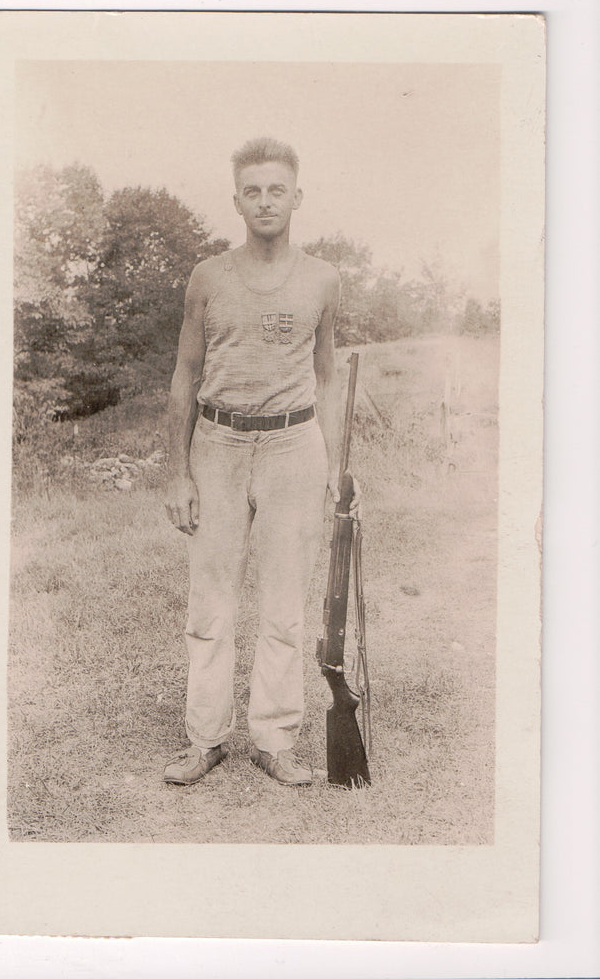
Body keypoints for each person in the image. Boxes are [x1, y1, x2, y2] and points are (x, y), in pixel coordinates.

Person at [162, 137, 356, 786]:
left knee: (283, 605)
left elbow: (327, 378)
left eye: (277, 189)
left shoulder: (322, 279)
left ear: (296, 197)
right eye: (253, 190)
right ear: (237, 200)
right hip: (217, 446)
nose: (265, 201)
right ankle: (205, 739)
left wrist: (330, 465)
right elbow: (185, 374)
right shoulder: (209, 277)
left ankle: (275, 739)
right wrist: (175, 471)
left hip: (292, 448)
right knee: (209, 604)